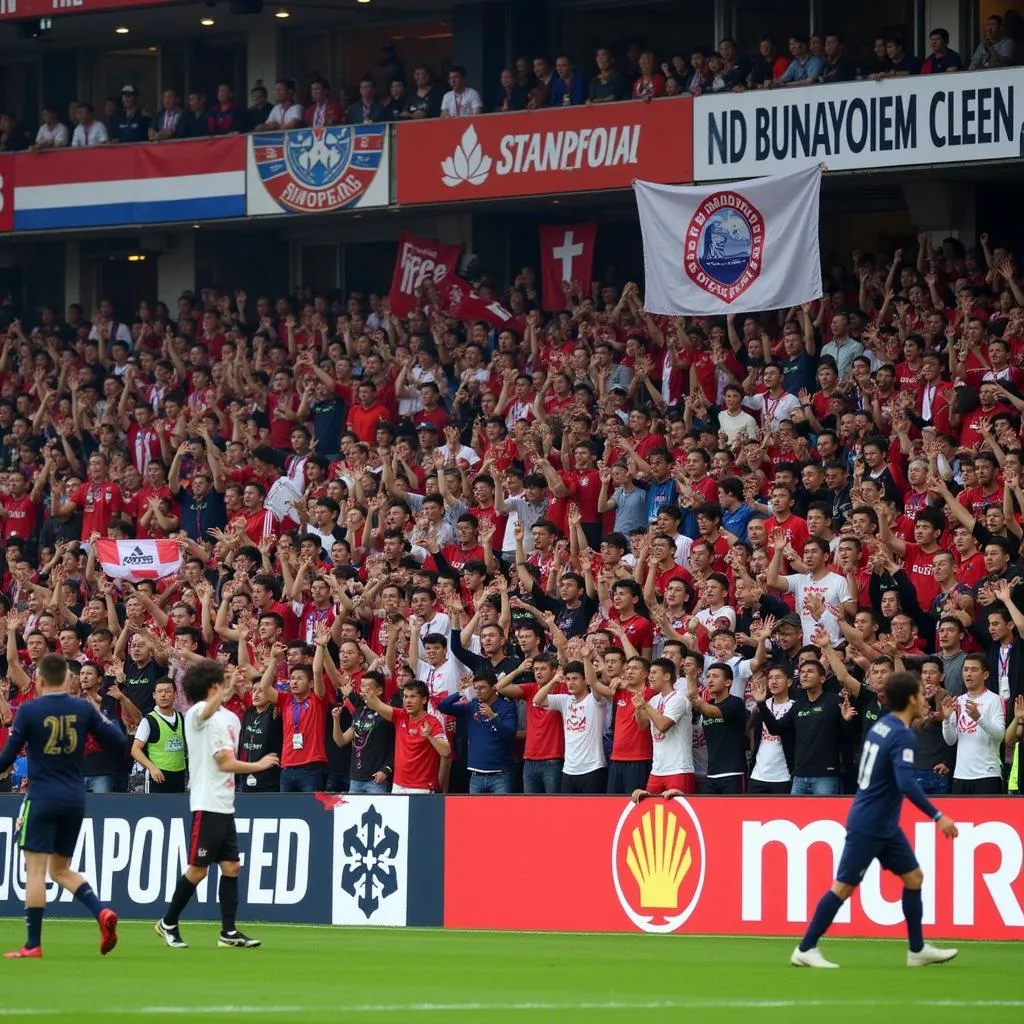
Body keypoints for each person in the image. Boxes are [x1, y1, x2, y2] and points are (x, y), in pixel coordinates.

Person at [791, 671, 959, 969]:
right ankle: (805, 948)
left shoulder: (884, 725)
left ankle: (917, 949)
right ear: (911, 699)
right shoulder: (901, 734)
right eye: (921, 694)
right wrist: (938, 815)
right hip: (870, 823)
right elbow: (906, 784)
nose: (924, 699)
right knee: (842, 887)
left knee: (914, 877)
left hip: (883, 823)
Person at [0, 653, 124, 958]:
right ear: (67, 679)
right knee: (60, 869)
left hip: (41, 796)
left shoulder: (29, 710)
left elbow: (6, 758)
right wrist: (98, 716)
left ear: (40, 679)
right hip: (74, 797)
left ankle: (33, 944)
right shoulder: (82, 707)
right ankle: (101, 911)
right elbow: (119, 740)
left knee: (35, 871)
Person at [155, 659, 279, 950]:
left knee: (232, 867)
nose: (229, 681)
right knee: (198, 870)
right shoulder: (198, 713)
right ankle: (168, 922)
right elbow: (223, 763)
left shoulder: (232, 719)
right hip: (206, 802)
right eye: (221, 679)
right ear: (211, 685)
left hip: (225, 804)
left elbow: (225, 758)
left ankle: (228, 932)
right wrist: (258, 766)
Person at [130, 678, 187, 793]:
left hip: (180, 776)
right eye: (159, 692)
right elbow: (135, 750)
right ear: (154, 695)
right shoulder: (148, 721)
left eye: (167, 691)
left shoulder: (182, 718)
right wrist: (152, 768)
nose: (163, 695)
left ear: (175, 694)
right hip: (158, 777)